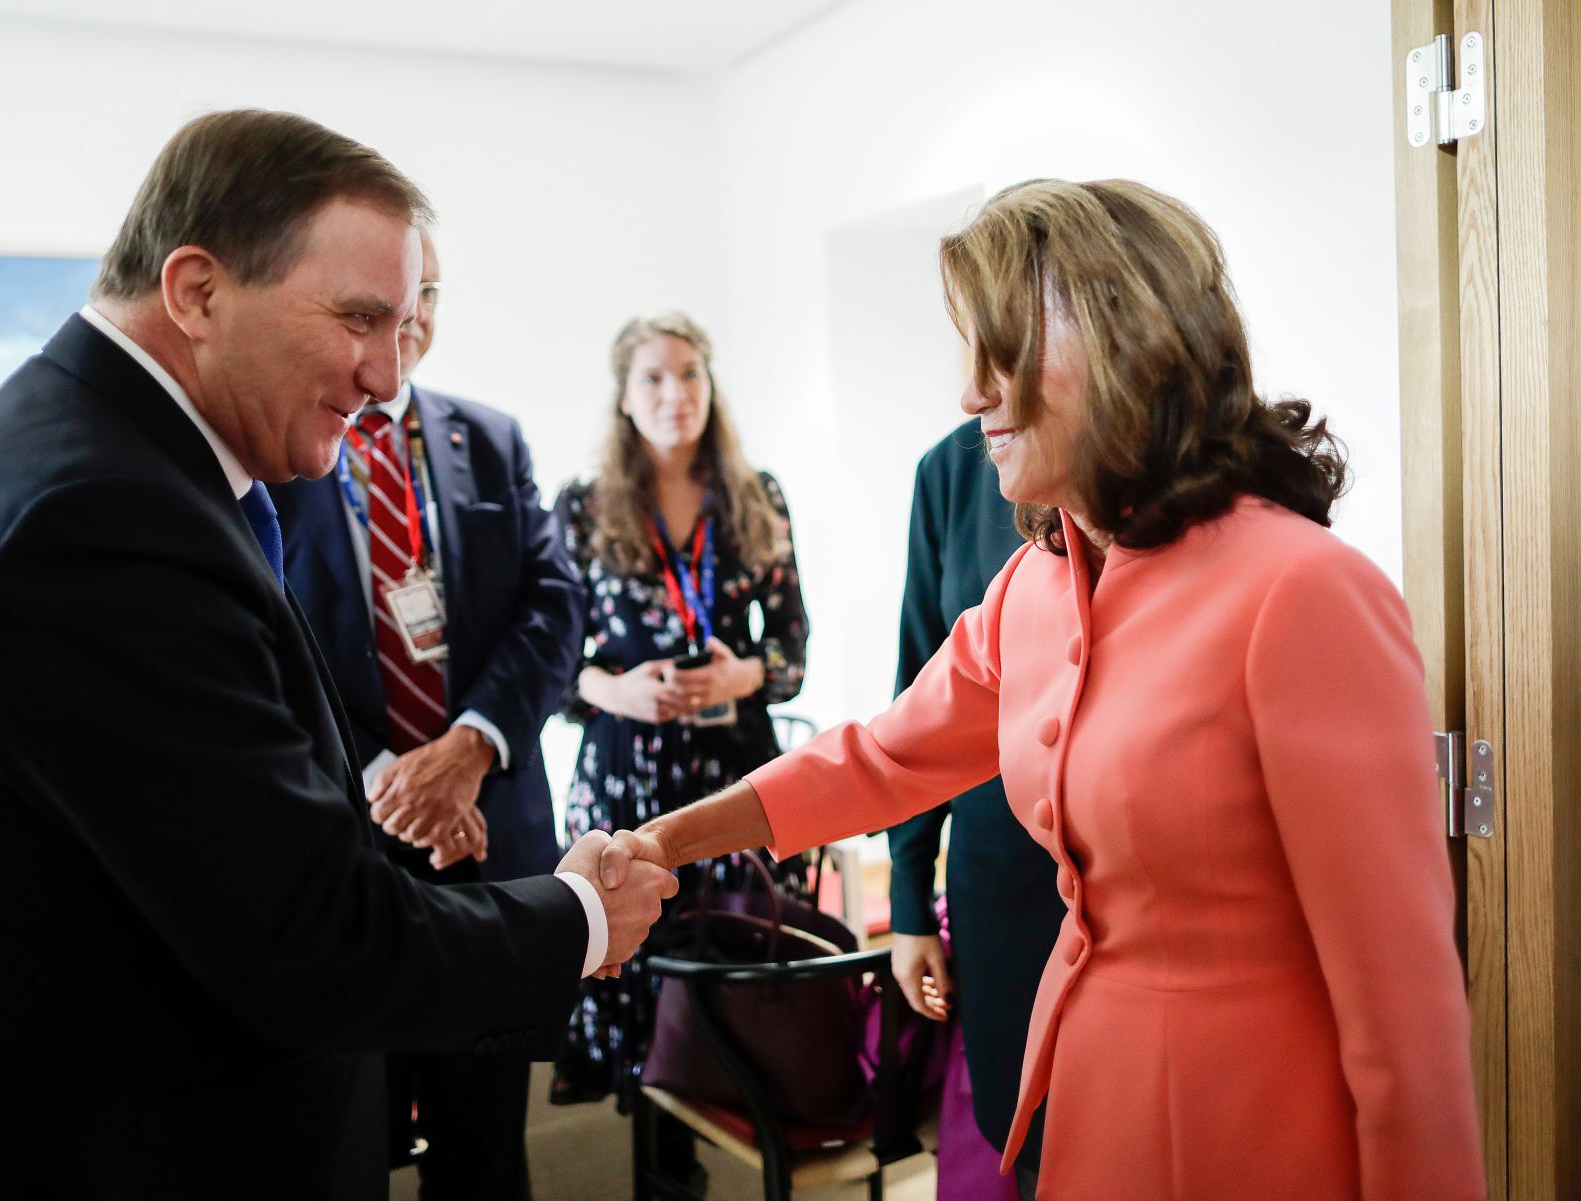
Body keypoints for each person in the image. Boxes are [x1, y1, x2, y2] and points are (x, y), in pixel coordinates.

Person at [598, 180, 1485, 1201]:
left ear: (1127, 344)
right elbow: (880, 758)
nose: (971, 393)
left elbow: (1404, 1013)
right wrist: (662, 842)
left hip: (1255, 1127)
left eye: (1002, 350)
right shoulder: (1034, 583)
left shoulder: (1304, 591)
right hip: (1080, 1093)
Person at [0, 109, 676, 1201]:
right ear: (198, 291)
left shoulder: (114, 464)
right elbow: (313, 942)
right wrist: (578, 916)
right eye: (359, 319)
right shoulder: (97, 520)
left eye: (407, 324)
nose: (386, 376)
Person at [272, 227, 579, 1199]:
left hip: (487, 839)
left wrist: (470, 748)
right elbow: (274, 635)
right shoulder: (283, 445)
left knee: (483, 1151)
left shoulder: (488, 437)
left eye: (431, 296)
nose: (414, 319)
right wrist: (390, 778)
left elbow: (552, 604)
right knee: (344, 1145)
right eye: (392, 300)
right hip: (344, 845)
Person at [549, 311, 809, 1183]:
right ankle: (664, 1173)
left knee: (731, 977)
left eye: (691, 374)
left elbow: (793, 654)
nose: (676, 394)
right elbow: (554, 663)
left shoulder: (757, 494)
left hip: (736, 779)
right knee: (639, 985)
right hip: (626, 780)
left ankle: (735, 1148)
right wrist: (616, 689)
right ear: (624, 397)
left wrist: (745, 675)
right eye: (654, 378)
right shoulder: (584, 506)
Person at [884, 420, 1062, 1201]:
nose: (977, 392)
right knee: (1020, 1133)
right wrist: (909, 901)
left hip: (1129, 876)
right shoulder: (949, 472)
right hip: (995, 877)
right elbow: (916, 709)